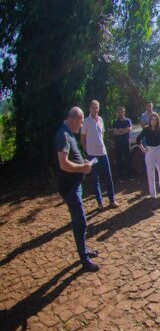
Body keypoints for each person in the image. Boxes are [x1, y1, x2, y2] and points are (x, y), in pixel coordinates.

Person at [55, 107, 99, 272]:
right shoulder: (63, 135)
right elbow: (63, 164)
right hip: (70, 187)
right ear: (74, 118)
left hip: (75, 185)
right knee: (80, 221)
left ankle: (84, 250)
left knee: (79, 220)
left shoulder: (67, 133)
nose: (81, 126)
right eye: (81, 122)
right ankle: (84, 259)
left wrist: (84, 164)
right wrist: (83, 167)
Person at [81, 100, 120, 209]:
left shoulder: (101, 120)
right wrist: (86, 150)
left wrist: (100, 144)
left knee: (108, 176)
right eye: (93, 107)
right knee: (95, 178)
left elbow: (101, 134)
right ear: (90, 108)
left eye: (97, 107)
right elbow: (82, 138)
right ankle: (99, 203)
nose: (95, 109)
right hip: (92, 155)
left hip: (103, 153)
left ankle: (112, 200)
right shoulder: (86, 121)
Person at [135, 113, 160, 198]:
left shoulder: (159, 129)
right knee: (150, 173)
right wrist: (143, 149)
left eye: (155, 120)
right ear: (150, 120)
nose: (154, 121)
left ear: (158, 121)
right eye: (152, 119)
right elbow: (138, 139)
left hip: (158, 150)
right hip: (149, 151)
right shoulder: (146, 130)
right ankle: (153, 193)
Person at [112, 106, 133, 181]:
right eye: (120, 112)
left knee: (128, 159)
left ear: (124, 112)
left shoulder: (128, 120)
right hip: (118, 144)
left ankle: (129, 176)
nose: (121, 113)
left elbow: (129, 129)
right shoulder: (115, 121)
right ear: (118, 113)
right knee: (119, 160)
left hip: (126, 143)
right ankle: (121, 177)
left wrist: (120, 130)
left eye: (122, 112)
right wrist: (123, 131)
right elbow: (115, 132)